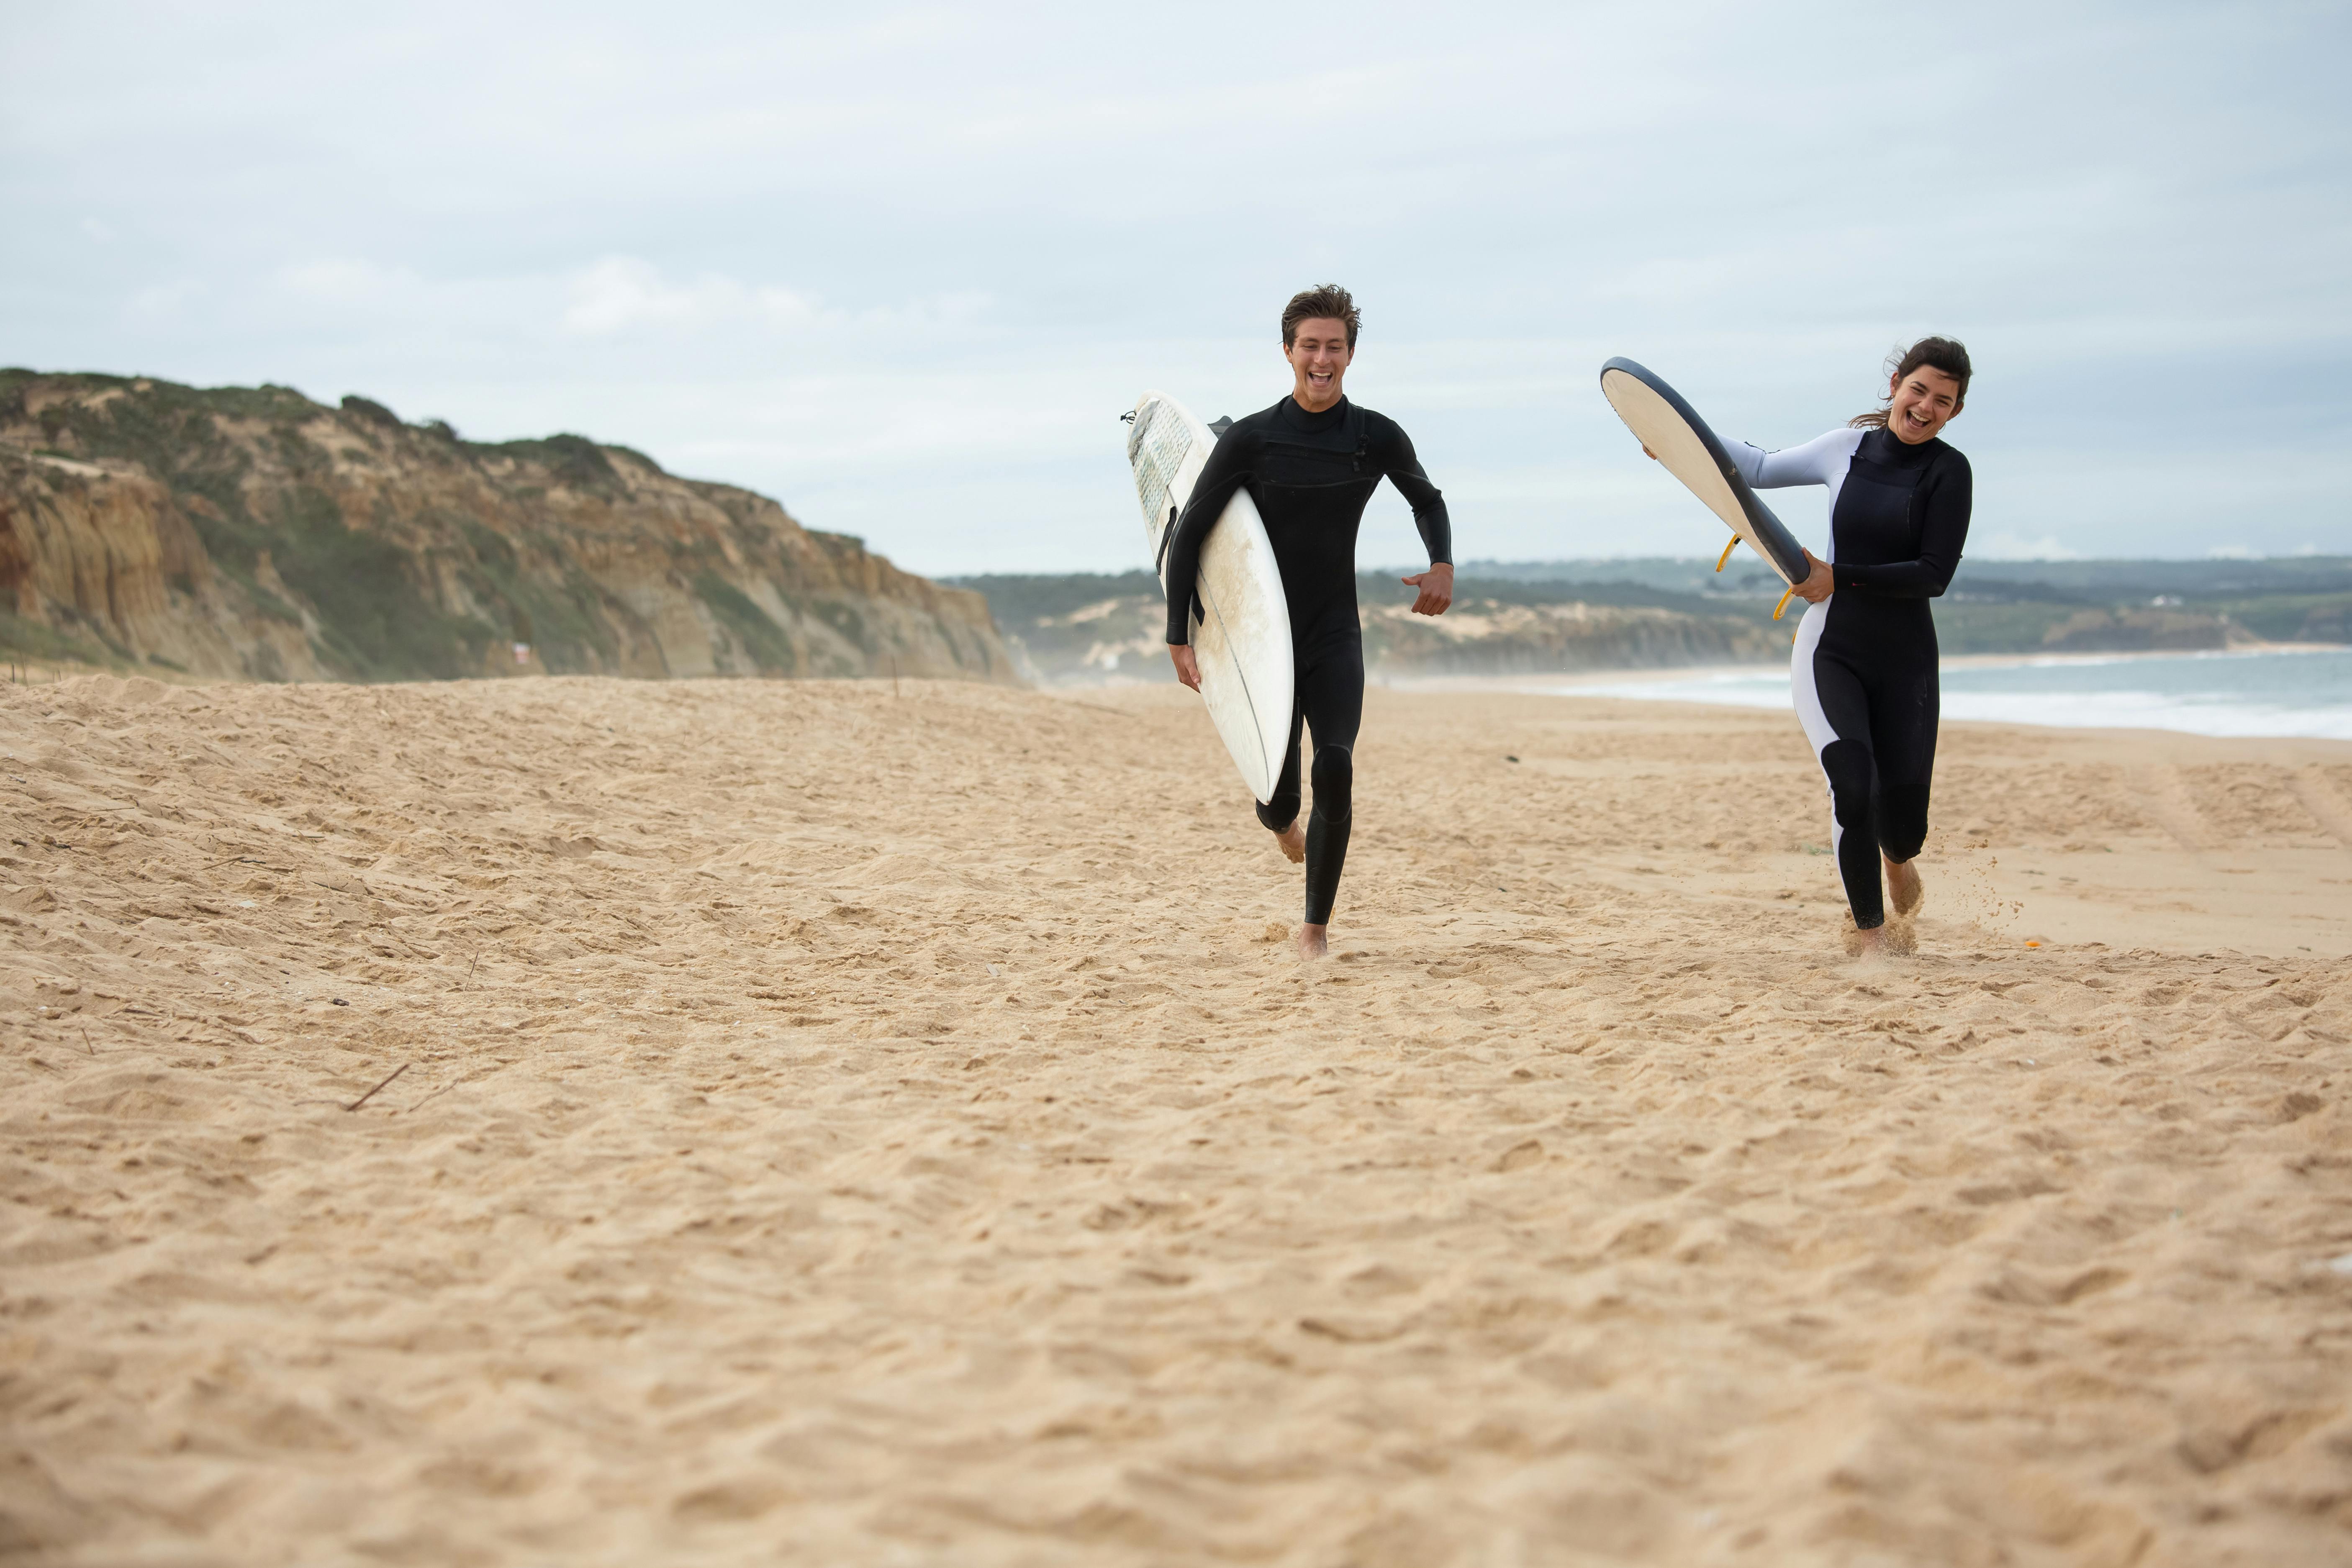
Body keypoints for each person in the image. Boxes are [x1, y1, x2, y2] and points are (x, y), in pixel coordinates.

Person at [1163, 284, 1454, 958]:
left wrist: (1441, 563)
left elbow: (1427, 499)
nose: (1322, 359)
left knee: (1337, 766)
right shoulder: (1252, 439)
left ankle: (1314, 930)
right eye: (1310, 346)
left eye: (1335, 347)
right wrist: (1179, 634)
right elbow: (1192, 533)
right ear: (1288, 352)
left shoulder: (1373, 436)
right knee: (1277, 797)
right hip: (1260, 641)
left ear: (1351, 354)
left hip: (1333, 634)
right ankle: (1280, 823)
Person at [1709, 338, 1974, 955]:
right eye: (1919, 390)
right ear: (1895, 384)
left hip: (1906, 660)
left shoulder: (1948, 472)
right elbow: (1759, 469)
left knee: (1905, 826)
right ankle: (1870, 936)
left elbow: (1934, 574)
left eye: (1943, 400)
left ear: (1955, 412)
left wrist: (1841, 575)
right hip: (1833, 648)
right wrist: (1682, 440)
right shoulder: (1845, 449)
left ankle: (1897, 858)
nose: (1926, 407)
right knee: (1852, 785)